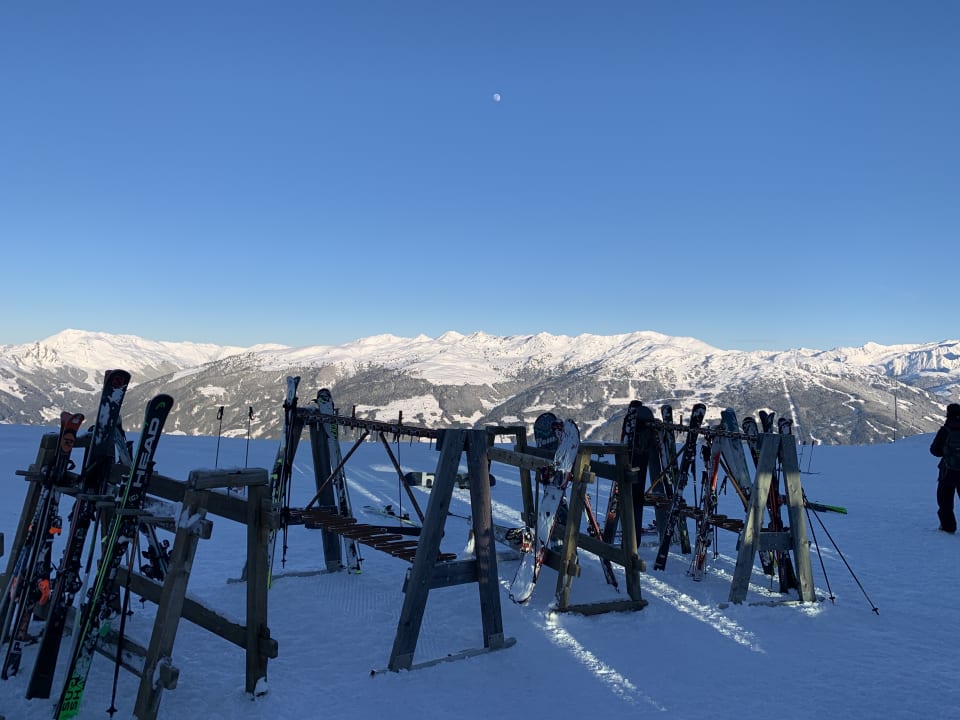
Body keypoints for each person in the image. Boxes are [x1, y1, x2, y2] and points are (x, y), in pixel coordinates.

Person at [930, 403, 960, 532]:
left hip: (947, 472)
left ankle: (948, 527)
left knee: (945, 501)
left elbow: (934, 451)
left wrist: (947, 453)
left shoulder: (945, 430)